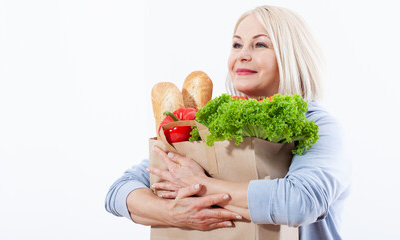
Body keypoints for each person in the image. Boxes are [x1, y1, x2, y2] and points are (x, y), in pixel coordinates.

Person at [105, 5, 351, 239]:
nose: (243, 55)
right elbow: (118, 193)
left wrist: (200, 185)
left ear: (291, 56)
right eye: (237, 44)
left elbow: (301, 203)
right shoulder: (211, 122)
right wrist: (175, 214)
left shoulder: (318, 125)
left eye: (260, 44)